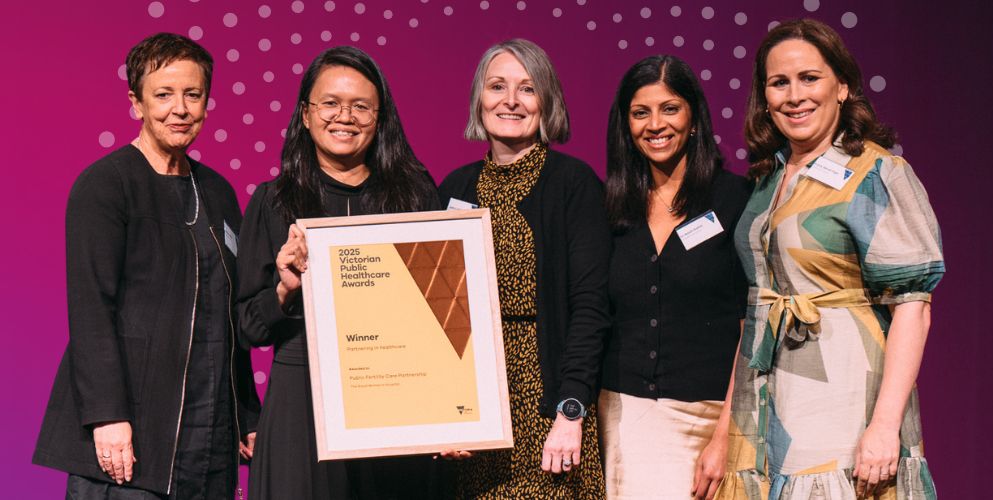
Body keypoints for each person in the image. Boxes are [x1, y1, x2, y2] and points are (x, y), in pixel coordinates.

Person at [716, 19, 944, 499]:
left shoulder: (877, 172)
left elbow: (913, 307)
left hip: (840, 393)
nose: (794, 95)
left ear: (842, 86)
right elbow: (757, 306)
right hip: (761, 401)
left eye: (809, 78)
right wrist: (724, 433)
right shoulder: (766, 180)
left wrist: (884, 427)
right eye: (779, 82)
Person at [33, 33, 260, 499]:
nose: (180, 108)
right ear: (136, 103)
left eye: (192, 94)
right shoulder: (105, 185)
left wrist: (247, 415)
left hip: (210, 435)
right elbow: (91, 310)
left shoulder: (218, 192)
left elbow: (229, 314)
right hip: (131, 433)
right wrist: (107, 416)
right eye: (163, 94)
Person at [236, 46, 440, 499]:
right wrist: (285, 291)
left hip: (396, 396)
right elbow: (247, 325)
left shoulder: (416, 195)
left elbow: (442, 315)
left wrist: (454, 412)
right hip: (300, 400)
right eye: (329, 103)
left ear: (380, 117)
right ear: (305, 115)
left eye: (361, 106)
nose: (344, 117)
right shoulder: (273, 201)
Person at [437, 38, 609, 498]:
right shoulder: (454, 188)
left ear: (546, 102)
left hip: (548, 404)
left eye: (527, 89)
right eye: (497, 86)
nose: (510, 101)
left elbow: (590, 307)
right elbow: (436, 315)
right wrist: (442, 413)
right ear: (479, 98)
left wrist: (571, 411)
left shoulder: (574, 184)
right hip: (474, 412)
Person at [599, 55, 750, 500]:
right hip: (625, 417)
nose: (655, 124)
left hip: (710, 417)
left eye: (670, 108)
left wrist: (726, 433)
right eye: (640, 112)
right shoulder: (610, 206)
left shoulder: (736, 199)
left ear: (694, 118)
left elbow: (750, 323)